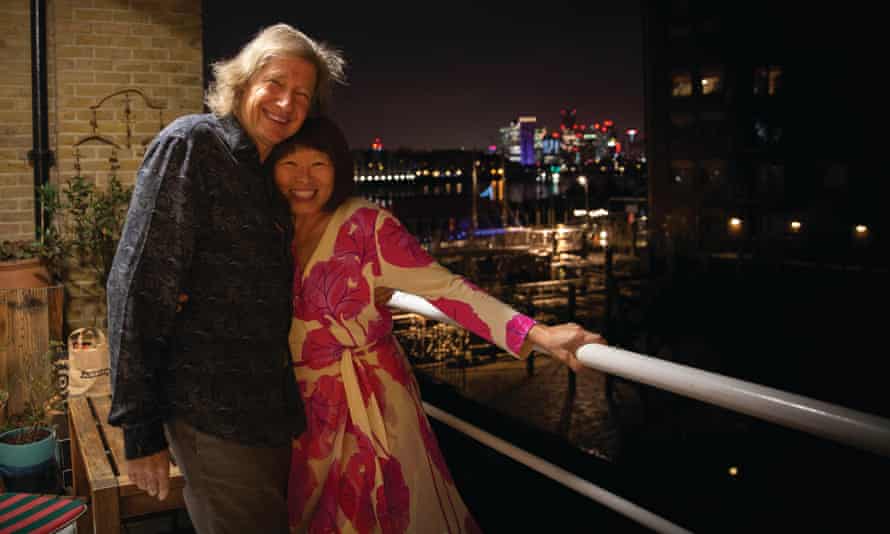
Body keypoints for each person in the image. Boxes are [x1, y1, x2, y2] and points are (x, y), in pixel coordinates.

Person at [268, 116, 607, 532]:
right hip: (302, 410)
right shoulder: (273, 230)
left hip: (372, 407)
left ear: (338, 167)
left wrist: (536, 334)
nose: (303, 178)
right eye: (290, 164)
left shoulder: (366, 226)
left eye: (318, 164)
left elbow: (448, 290)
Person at [106, 24, 346, 534]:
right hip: (211, 413)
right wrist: (139, 429)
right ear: (243, 82)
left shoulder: (269, 173)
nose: (287, 102)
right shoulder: (192, 145)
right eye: (275, 84)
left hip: (269, 411)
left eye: (302, 94)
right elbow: (137, 286)